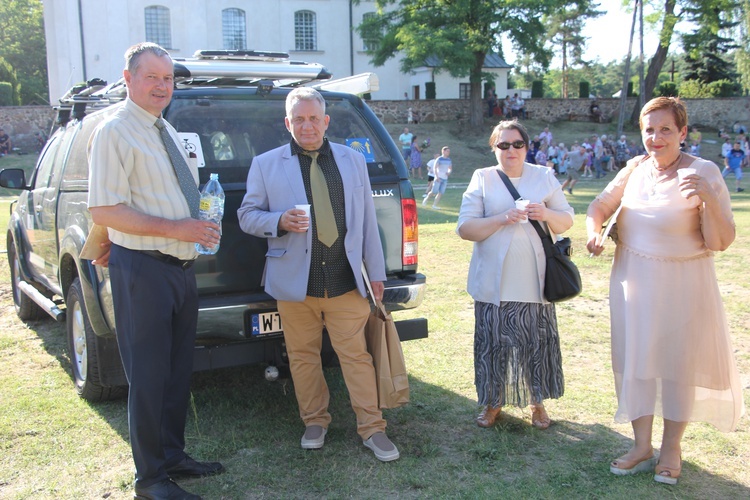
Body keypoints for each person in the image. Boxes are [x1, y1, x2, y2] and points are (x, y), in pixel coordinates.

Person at [88, 42, 224, 500]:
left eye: (168, 79)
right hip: (143, 269)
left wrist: (197, 222)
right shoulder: (116, 132)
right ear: (128, 79)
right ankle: (149, 478)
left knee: (175, 370)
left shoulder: (164, 128)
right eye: (152, 77)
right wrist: (178, 226)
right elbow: (104, 207)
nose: (162, 86)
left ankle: (171, 456)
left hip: (179, 268)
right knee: (148, 375)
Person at [586, 97, 744, 485]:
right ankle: (641, 446)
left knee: (677, 365)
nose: (656, 138)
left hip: (683, 284)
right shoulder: (635, 168)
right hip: (632, 281)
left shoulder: (704, 171)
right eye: (649, 130)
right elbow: (600, 204)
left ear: (683, 132)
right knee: (636, 360)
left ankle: (671, 448)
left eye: (665, 129)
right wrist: (594, 232)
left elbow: (720, 241)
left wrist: (708, 197)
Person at [237, 87, 400, 463]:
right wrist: (277, 220)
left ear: (326, 121)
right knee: (302, 356)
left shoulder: (352, 160)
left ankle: (372, 428)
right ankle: (314, 421)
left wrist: (376, 273)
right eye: (299, 119)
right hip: (296, 285)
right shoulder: (265, 164)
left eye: (313, 118)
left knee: (356, 357)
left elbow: (367, 223)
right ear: (287, 122)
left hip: (346, 282)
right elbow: (247, 215)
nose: (306, 125)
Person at [457, 120, 573, 431]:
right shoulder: (482, 178)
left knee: (534, 345)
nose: (511, 150)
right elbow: (465, 229)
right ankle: (493, 402)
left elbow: (566, 221)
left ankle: (537, 403)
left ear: (527, 146)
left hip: (535, 282)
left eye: (517, 144)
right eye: (503, 145)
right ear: (494, 148)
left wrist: (545, 213)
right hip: (494, 284)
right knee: (493, 344)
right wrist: (502, 218)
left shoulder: (544, 176)